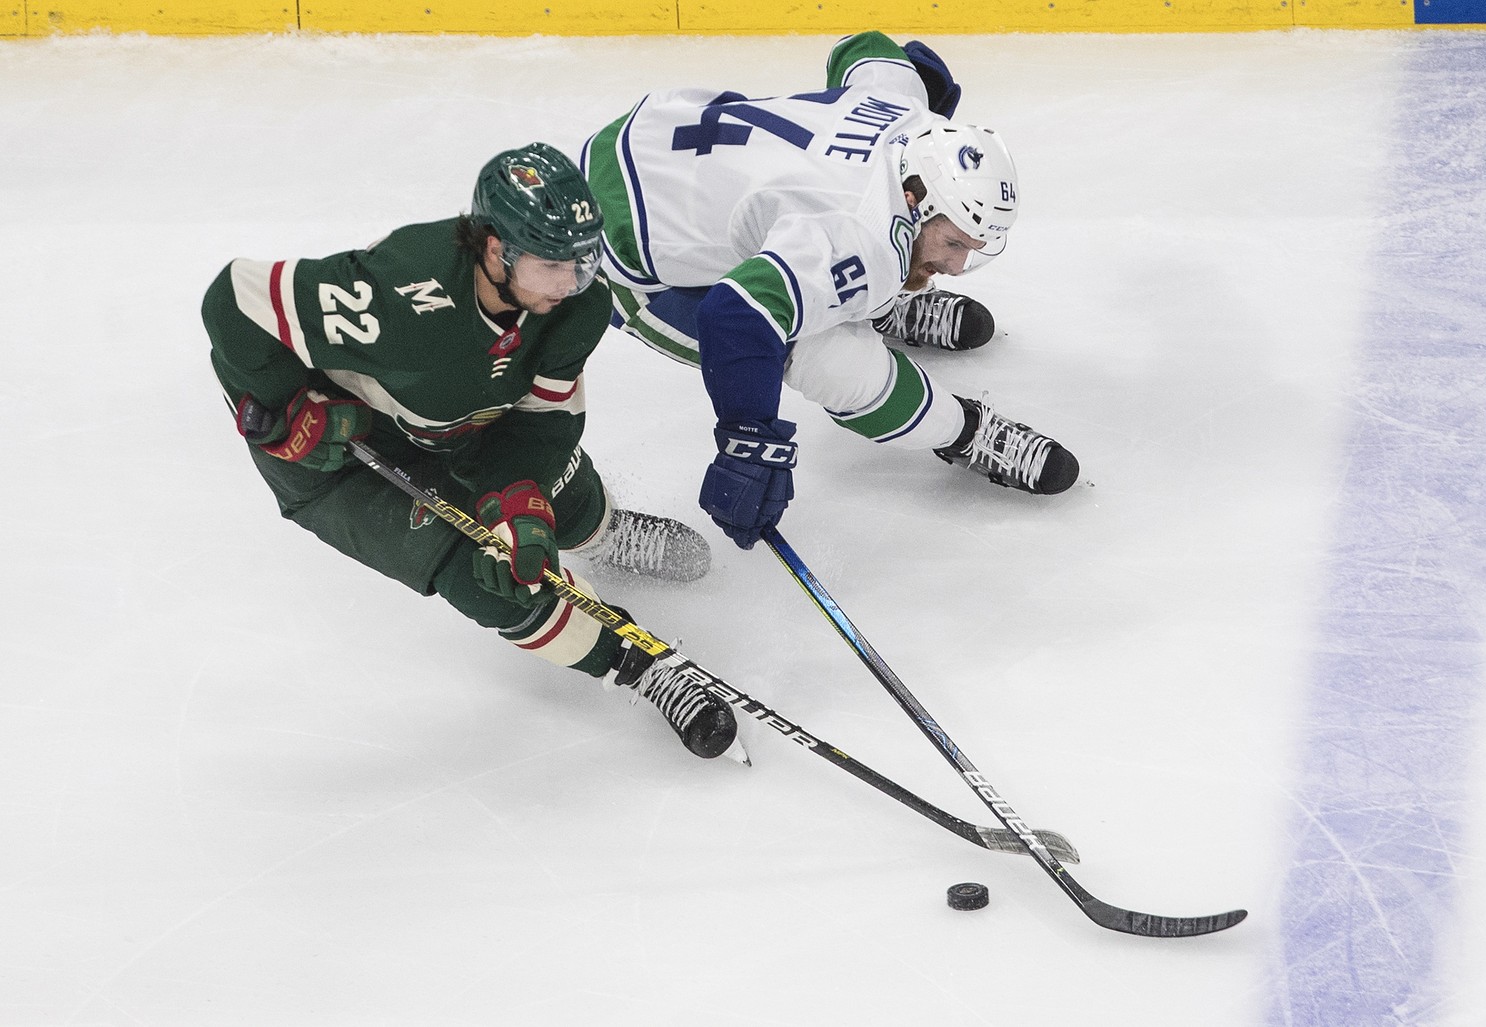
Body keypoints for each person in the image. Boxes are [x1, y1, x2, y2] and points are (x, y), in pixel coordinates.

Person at [202, 144, 742, 761]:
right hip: (346, 457)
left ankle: (603, 531)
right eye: (552, 264)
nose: (573, 283)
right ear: (494, 249)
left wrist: (520, 505)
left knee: (553, 500)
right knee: (492, 581)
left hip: (464, 424)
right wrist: (285, 406)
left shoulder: (576, 305)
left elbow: (542, 423)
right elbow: (234, 298)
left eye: (583, 262)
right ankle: (643, 666)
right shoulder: (399, 299)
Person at [581, 30, 1081, 551]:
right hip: (622, 248)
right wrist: (748, 442)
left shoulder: (907, 113)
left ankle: (867, 304)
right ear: (914, 199)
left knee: (826, 272)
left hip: (657, 133)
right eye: (952, 242)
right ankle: (966, 433)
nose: (956, 266)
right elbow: (735, 317)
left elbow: (866, 50)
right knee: (836, 362)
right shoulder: (859, 235)